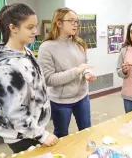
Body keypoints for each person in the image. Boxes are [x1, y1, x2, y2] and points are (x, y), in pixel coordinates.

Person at [0, 3, 58, 153]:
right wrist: (41, 135)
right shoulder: (5, 67)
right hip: (22, 134)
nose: (36, 31)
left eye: (36, 26)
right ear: (13, 28)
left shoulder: (25, 51)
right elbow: (14, 111)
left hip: (34, 127)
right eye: (30, 27)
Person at [38, 7, 96, 138]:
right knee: (61, 134)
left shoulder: (79, 43)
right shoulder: (46, 47)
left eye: (76, 21)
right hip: (60, 101)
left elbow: (84, 64)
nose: (75, 24)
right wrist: (77, 71)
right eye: (71, 21)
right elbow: (48, 79)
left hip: (82, 97)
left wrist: (87, 73)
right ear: (58, 23)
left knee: (87, 130)